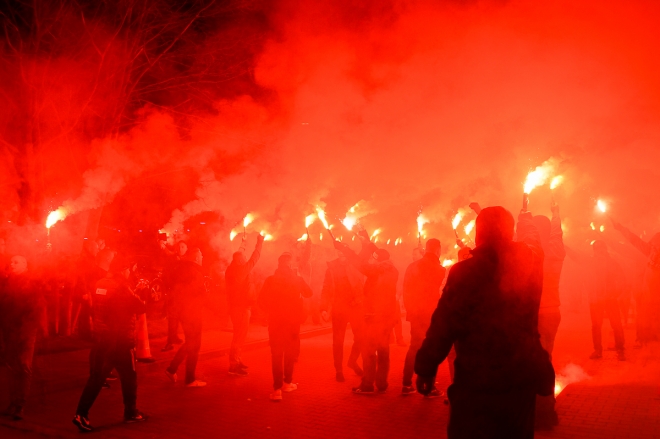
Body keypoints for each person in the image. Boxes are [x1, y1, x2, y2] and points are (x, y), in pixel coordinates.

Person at [415, 206, 554, 439]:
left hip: (475, 382)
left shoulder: (464, 272)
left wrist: (426, 368)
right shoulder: (530, 268)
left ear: (479, 234)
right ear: (510, 233)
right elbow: (532, 243)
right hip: (518, 381)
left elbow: (444, 324)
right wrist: (526, 218)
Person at [72, 256, 147, 432]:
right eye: (128, 269)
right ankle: (85, 414)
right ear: (122, 270)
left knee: (104, 378)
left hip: (102, 337)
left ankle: (129, 411)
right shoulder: (121, 287)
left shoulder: (100, 283)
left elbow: (106, 305)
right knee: (125, 378)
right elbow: (139, 306)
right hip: (119, 341)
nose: (130, 273)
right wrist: (141, 292)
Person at [517, 202, 565, 430]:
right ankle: (546, 408)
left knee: (531, 362)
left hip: (534, 314)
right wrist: (556, 213)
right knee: (546, 360)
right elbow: (557, 232)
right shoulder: (556, 250)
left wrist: (523, 214)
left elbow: (523, 235)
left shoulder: (532, 252)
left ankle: (539, 412)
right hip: (552, 312)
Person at [334, 233, 399, 394]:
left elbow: (358, 263)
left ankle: (368, 384)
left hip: (374, 317)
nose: (371, 260)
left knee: (369, 351)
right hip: (387, 317)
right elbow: (378, 256)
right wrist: (368, 243)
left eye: (373, 258)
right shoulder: (393, 270)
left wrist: (344, 248)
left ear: (377, 260)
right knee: (384, 351)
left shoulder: (376, 271)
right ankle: (382, 383)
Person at [259, 252, 313, 401]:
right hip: (293, 323)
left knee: (276, 355)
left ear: (278, 264)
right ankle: (287, 383)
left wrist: (271, 310)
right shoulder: (297, 279)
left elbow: (261, 300)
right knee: (289, 353)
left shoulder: (270, 280)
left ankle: (277, 390)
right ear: (289, 264)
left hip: (276, 322)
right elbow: (309, 293)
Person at [0, 255, 47, 421]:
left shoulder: (32, 284)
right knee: (11, 367)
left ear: (25, 265)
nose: (12, 264)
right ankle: (13, 402)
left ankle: (21, 404)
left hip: (26, 332)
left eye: (16, 262)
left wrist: (25, 331)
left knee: (24, 365)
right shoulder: (6, 283)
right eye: (11, 262)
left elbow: (36, 310)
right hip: (10, 331)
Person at [401, 239, 446, 396]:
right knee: (431, 348)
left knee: (414, 347)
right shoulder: (438, 268)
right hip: (430, 313)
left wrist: (410, 309)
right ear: (438, 250)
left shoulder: (412, 266)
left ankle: (406, 383)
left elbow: (405, 289)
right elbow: (436, 284)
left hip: (415, 313)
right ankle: (428, 385)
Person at [611, 219, 660, 344]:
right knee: (645, 313)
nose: (654, 247)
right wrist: (621, 228)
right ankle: (646, 338)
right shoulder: (651, 252)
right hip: (649, 292)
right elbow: (636, 242)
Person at [165, 247, 207, 387]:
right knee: (195, 345)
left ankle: (172, 369)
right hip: (192, 313)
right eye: (201, 255)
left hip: (183, 312)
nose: (202, 258)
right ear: (195, 258)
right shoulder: (195, 273)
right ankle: (190, 379)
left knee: (190, 343)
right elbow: (196, 295)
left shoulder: (181, 269)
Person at [320, 250, 365, 382]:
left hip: (355, 307)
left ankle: (352, 362)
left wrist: (361, 300)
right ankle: (338, 370)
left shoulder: (355, 266)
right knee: (338, 341)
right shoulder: (331, 269)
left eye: (344, 252)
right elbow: (326, 288)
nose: (342, 255)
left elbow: (362, 286)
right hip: (339, 309)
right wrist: (323, 308)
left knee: (361, 337)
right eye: (339, 253)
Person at [225, 234, 264, 376]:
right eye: (243, 258)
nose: (245, 259)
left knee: (238, 335)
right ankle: (233, 365)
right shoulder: (240, 270)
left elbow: (239, 255)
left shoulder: (231, 268)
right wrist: (259, 241)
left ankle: (237, 360)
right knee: (239, 336)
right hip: (241, 308)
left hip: (237, 307)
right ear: (240, 261)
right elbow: (255, 258)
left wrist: (243, 244)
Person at [588, 240, 626, 361]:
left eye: (601, 249)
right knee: (596, 326)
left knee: (616, 324)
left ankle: (620, 350)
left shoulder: (612, 263)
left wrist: (615, 294)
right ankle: (597, 350)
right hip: (596, 299)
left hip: (610, 298)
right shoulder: (591, 263)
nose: (599, 252)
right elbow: (586, 278)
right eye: (597, 249)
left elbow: (622, 279)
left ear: (605, 250)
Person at [161, 241, 188, 352]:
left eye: (182, 247)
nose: (180, 249)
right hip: (174, 293)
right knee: (173, 318)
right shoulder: (173, 260)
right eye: (178, 247)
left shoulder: (186, 260)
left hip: (183, 295)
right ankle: (170, 341)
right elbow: (167, 275)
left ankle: (175, 337)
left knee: (182, 318)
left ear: (186, 248)